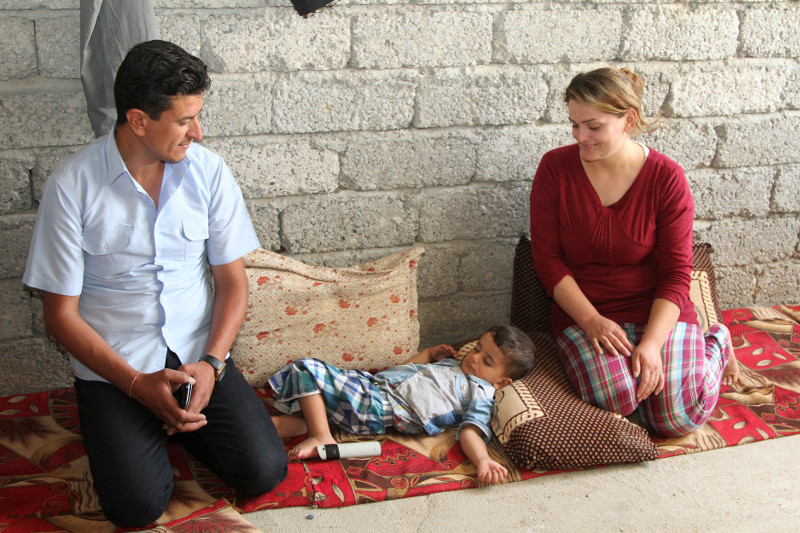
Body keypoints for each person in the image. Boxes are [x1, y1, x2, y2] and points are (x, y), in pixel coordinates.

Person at [22, 40, 287, 527]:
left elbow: (232, 281)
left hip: (196, 352)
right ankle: (154, 420)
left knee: (264, 471)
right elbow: (59, 317)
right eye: (184, 120)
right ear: (139, 120)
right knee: (136, 507)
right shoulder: (72, 185)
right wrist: (137, 385)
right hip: (116, 366)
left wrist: (211, 363)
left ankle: (179, 420)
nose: (198, 132)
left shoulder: (209, 172)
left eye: (197, 116)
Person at [529, 67, 739, 438]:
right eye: (574, 125)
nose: (581, 137)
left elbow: (676, 273)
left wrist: (653, 344)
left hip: (657, 310)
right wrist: (592, 321)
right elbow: (547, 262)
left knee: (675, 420)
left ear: (628, 120)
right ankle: (632, 360)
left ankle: (716, 342)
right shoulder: (554, 168)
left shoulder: (666, 178)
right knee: (619, 398)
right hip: (586, 311)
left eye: (593, 126)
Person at [269, 325, 536, 484]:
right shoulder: (453, 365)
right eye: (477, 348)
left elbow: (471, 431)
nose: (474, 358)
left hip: (380, 407)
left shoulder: (480, 393)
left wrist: (483, 461)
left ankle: (321, 437)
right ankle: (277, 428)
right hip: (371, 387)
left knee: (308, 369)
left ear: (501, 383)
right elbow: (409, 369)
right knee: (312, 404)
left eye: (487, 361)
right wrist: (430, 354)